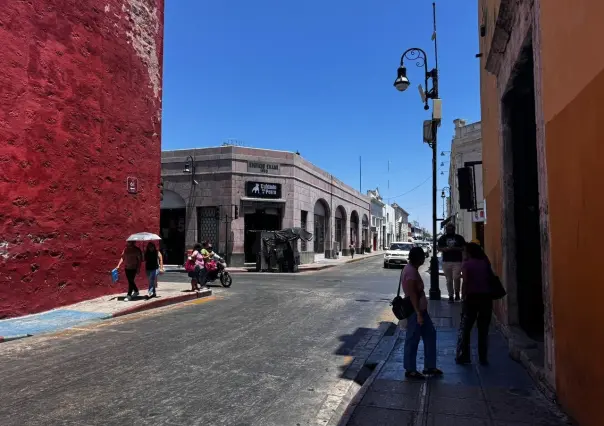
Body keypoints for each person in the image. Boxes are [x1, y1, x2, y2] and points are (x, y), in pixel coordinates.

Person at [402, 246, 443, 379]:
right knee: (412, 339)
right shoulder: (411, 272)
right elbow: (412, 294)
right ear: (418, 258)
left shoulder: (411, 269)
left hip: (421, 310)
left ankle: (430, 366)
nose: (424, 259)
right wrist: (418, 313)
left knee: (430, 334)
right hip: (416, 311)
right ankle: (410, 369)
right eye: (422, 257)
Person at [456, 243, 493, 365]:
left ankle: (465, 355)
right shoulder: (485, 262)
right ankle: (483, 358)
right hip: (486, 298)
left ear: (469, 252)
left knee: (466, 328)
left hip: (472, 298)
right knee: (483, 329)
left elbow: (465, 282)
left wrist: (463, 297)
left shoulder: (467, 264)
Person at [437, 223, 466, 303]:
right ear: (446, 230)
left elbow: (464, 248)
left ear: (454, 229)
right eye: (448, 229)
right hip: (446, 261)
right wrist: (444, 249)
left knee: (456, 278)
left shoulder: (459, 238)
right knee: (449, 280)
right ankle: (450, 295)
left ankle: (457, 293)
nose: (449, 230)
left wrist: (455, 248)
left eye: (451, 229)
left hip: (457, 261)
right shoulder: (442, 238)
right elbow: (438, 248)